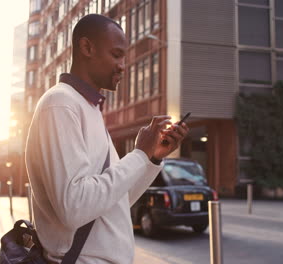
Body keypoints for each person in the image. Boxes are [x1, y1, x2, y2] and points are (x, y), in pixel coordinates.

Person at [25, 14, 189, 264]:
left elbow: (114, 202)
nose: (123, 65)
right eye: (116, 54)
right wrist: (138, 156)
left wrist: (151, 158)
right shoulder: (60, 104)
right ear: (87, 47)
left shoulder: (88, 109)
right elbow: (75, 207)